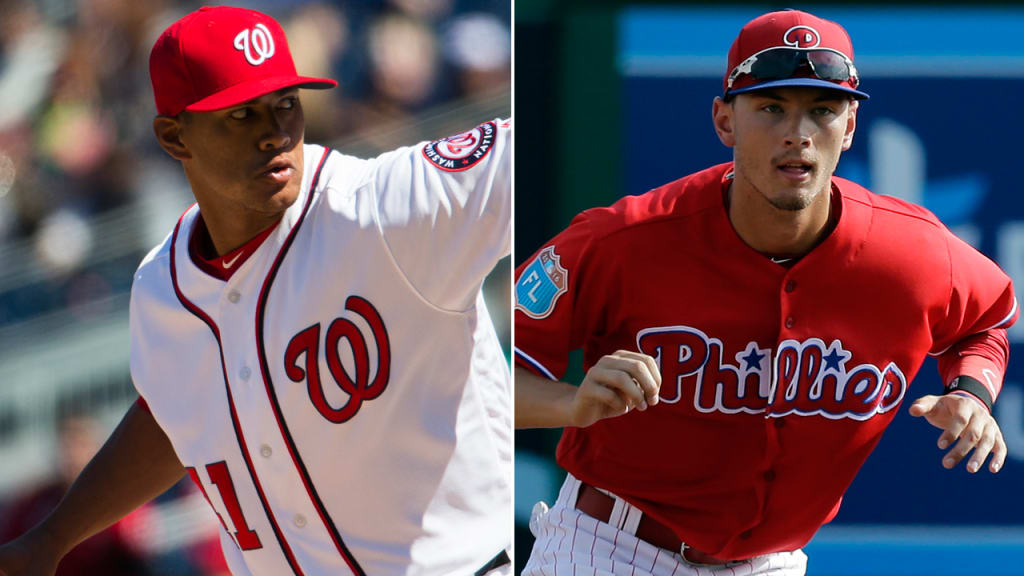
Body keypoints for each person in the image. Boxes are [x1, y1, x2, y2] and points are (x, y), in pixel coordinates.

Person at [0, 5, 511, 576]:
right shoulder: (161, 287)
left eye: (285, 103)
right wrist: (52, 538)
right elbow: (178, 409)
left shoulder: (383, 205)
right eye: (242, 113)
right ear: (174, 136)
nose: (275, 132)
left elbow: (534, 144)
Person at [513, 9, 1015, 576]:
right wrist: (570, 405)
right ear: (725, 120)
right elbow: (477, 376)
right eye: (772, 108)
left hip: (771, 561)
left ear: (850, 127)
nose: (798, 133)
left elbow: (987, 319)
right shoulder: (623, 240)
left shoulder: (912, 252)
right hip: (611, 546)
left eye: (822, 110)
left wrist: (972, 392)